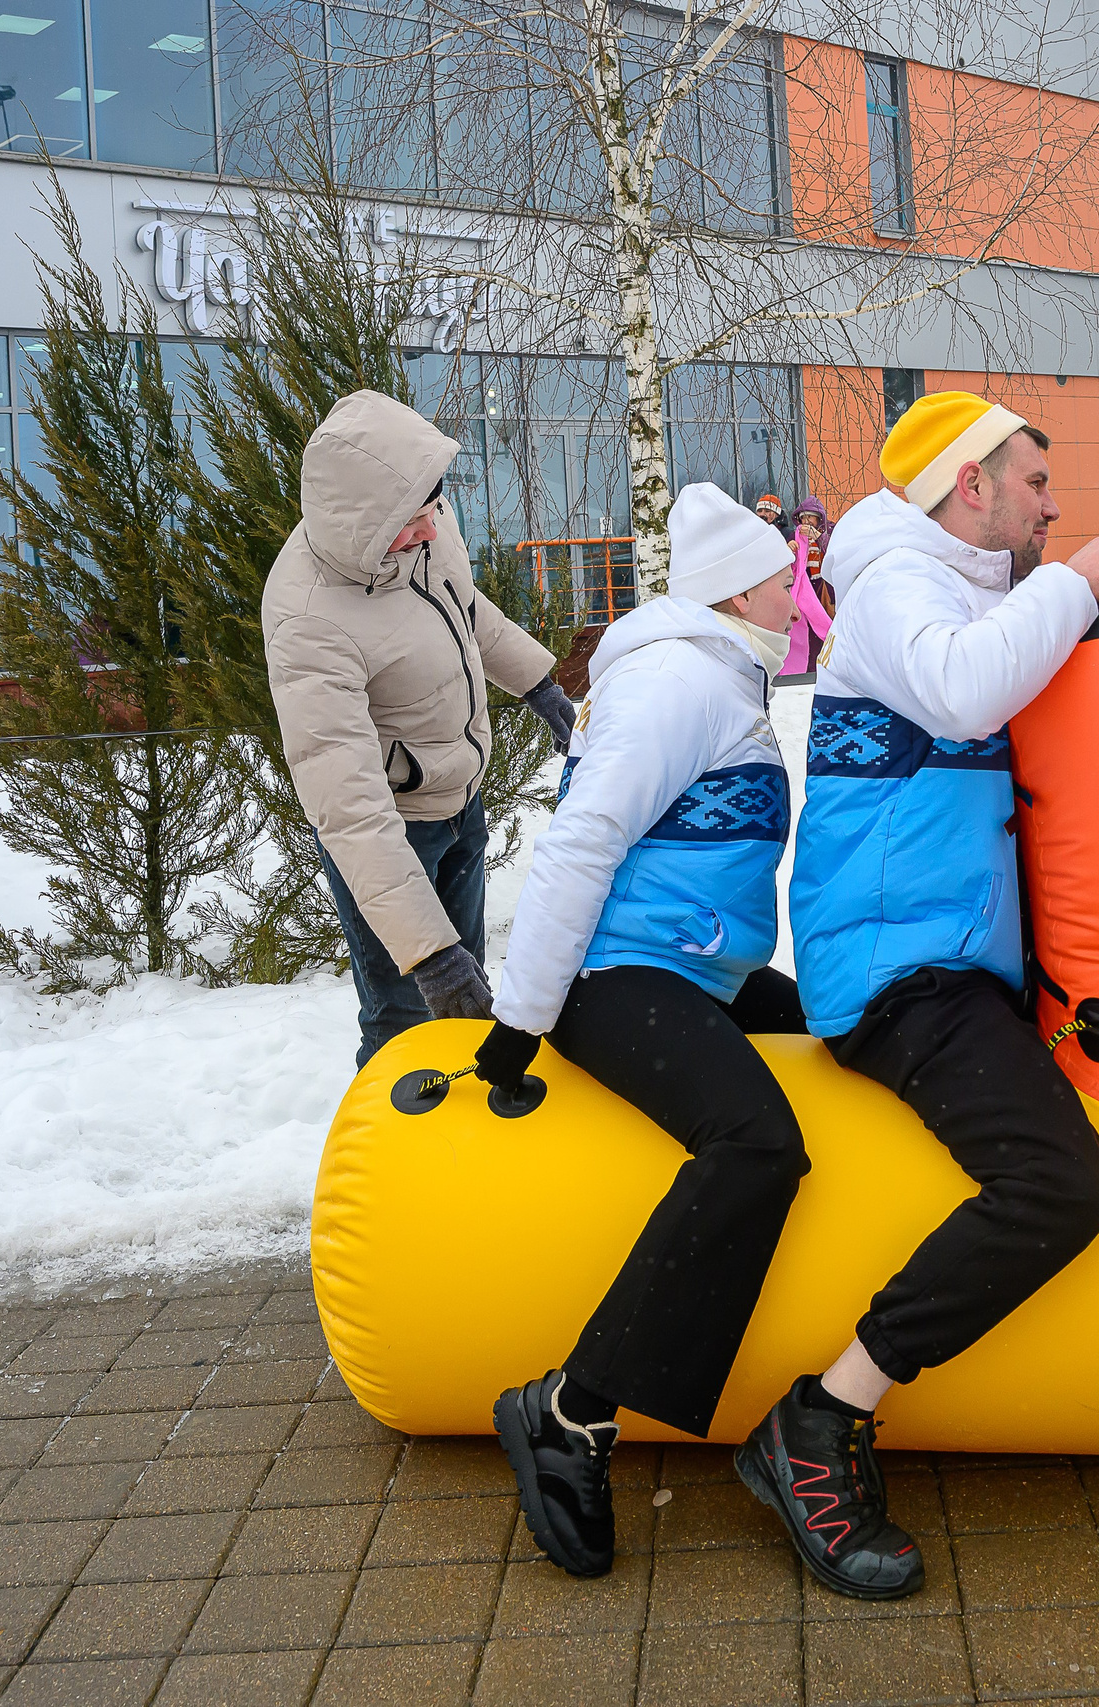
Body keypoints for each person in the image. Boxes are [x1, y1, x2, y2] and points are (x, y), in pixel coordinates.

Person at [759, 392, 1099, 1600]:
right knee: (1057, 1183)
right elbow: (962, 689)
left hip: (947, 956)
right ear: (970, 486)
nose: (1050, 503)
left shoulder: (962, 586)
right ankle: (821, 1420)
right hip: (890, 971)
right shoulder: (895, 586)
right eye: (1034, 481)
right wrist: (1079, 580)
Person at [475, 484, 807, 1580]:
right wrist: (520, 1020)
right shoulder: (675, 679)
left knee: (837, 1037)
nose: (797, 590)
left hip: (694, 972)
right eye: (784, 574)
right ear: (737, 587)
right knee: (757, 1142)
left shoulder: (725, 673)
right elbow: (582, 843)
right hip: (615, 979)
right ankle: (571, 1412)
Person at [261, 390, 577, 1068]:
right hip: (390, 829)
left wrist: (537, 683)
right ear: (366, 524)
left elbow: (463, 605)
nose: (433, 528)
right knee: (405, 1014)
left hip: (461, 800)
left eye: (434, 508)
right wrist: (428, 953)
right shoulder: (308, 618)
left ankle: (458, 1147)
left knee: (467, 997)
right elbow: (349, 809)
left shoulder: (420, 518)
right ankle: (386, 1165)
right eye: (414, 519)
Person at [782, 496, 835, 678]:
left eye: (810, 517)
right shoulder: (794, 535)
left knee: (826, 625)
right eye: (803, 517)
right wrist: (788, 548)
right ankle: (807, 669)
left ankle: (828, 666)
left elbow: (836, 551)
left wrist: (819, 538)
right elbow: (789, 563)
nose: (806, 522)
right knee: (806, 631)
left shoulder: (830, 531)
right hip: (804, 588)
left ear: (819, 518)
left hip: (825, 588)